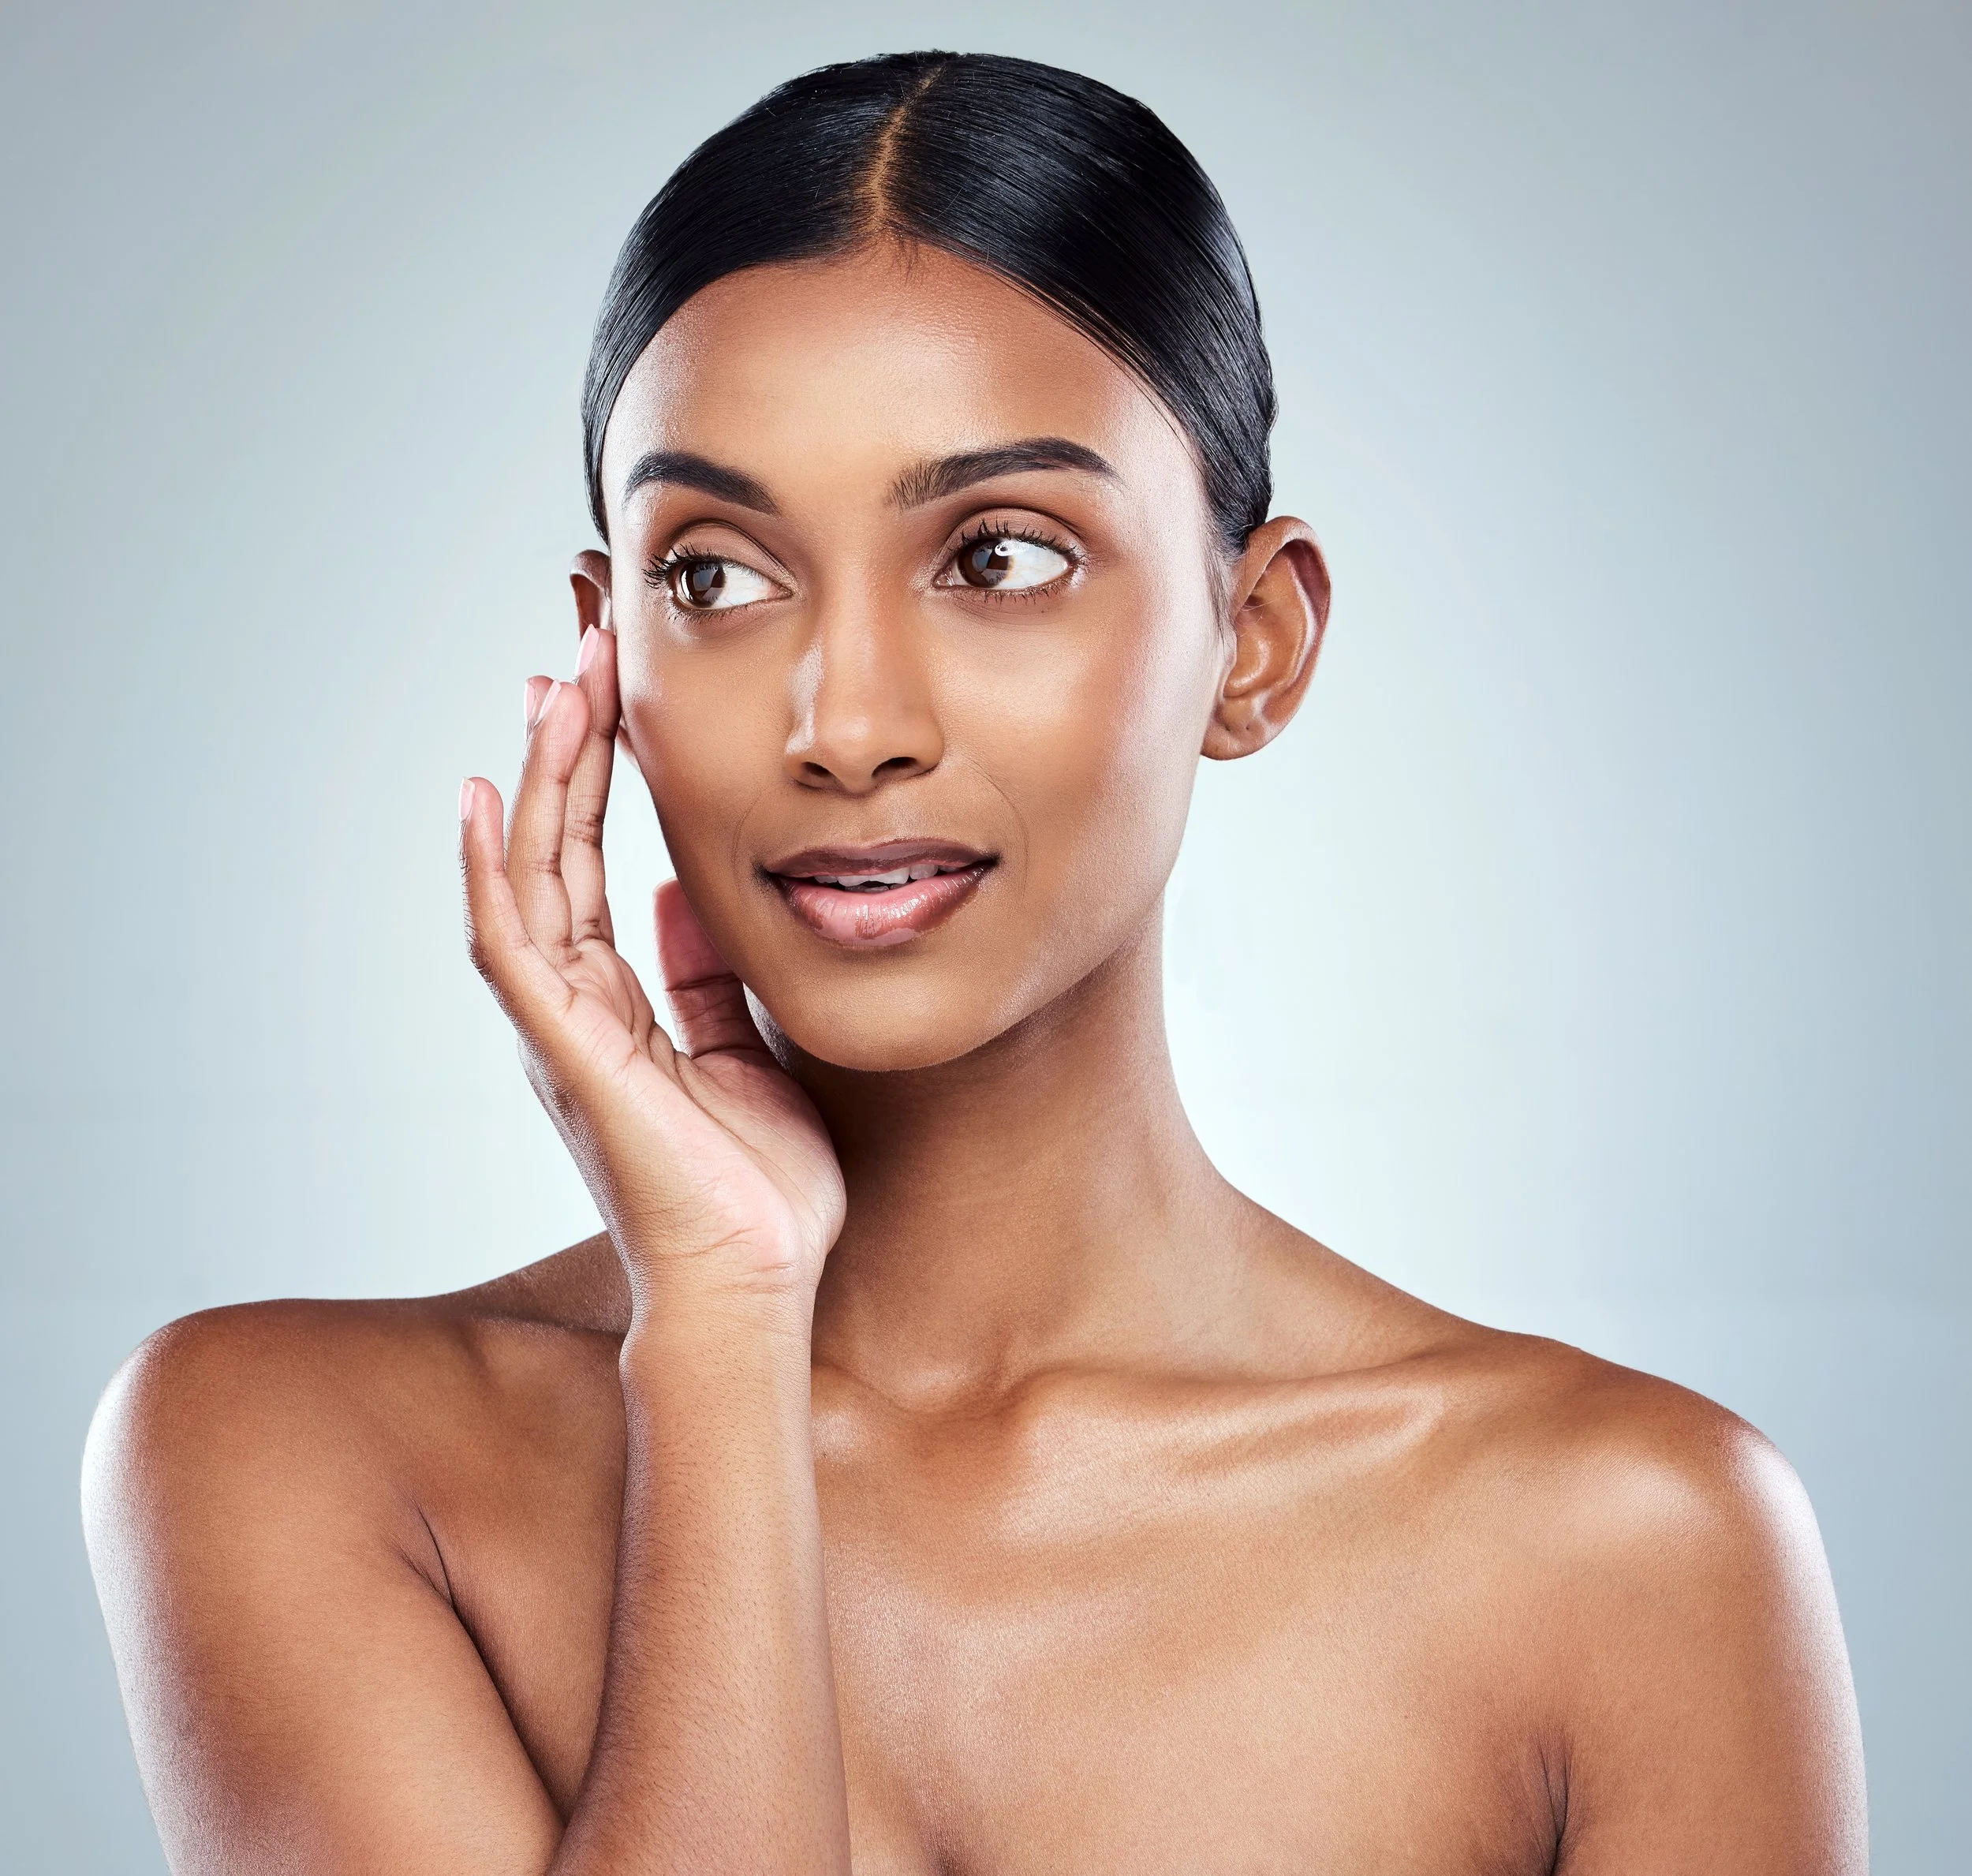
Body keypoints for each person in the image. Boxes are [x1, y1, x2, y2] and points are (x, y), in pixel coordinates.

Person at [82, 50, 1868, 1875]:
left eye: (998, 555)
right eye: (713, 575)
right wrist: (717, 1317)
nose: (844, 722)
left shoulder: (1628, 1553)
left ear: (1252, 642)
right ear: (604, 651)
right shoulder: (289, 1456)